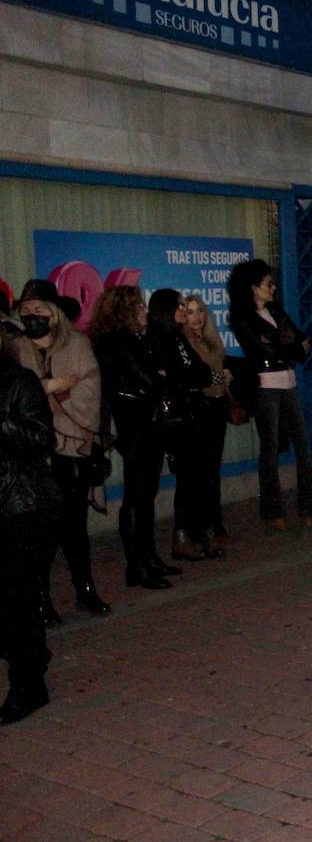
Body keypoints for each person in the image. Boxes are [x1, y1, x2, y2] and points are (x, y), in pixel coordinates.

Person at [8, 280, 110, 623]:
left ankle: (85, 589)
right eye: (27, 309)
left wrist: (49, 398)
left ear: (54, 312)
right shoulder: (14, 349)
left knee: (75, 527)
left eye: (39, 308)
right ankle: (41, 599)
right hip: (32, 459)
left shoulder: (78, 345)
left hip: (70, 452)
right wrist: (50, 386)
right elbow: (14, 401)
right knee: (41, 535)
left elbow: (90, 394)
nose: (32, 314)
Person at [228, 259, 312, 531]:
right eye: (267, 284)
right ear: (253, 287)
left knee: (304, 447)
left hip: (288, 381)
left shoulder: (275, 310)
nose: (272, 288)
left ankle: (310, 509)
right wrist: (290, 347)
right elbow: (267, 350)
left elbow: (299, 339)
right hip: (265, 385)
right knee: (269, 449)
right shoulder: (242, 317)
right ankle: (272, 512)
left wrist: (289, 346)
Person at [89, 287, 175, 590]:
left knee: (145, 493)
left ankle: (148, 557)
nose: (144, 311)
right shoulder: (119, 341)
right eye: (139, 305)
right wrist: (160, 378)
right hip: (135, 425)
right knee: (137, 495)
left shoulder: (132, 339)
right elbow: (149, 380)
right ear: (126, 310)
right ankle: (137, 564)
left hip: (143, 423)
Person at [0, 350, 62, 725]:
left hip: (20, 506)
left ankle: (29, 686)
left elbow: (41, 437)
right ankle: (32, 656)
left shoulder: (19, 381)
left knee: (16, 601)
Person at [147, 290, 217, 561]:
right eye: (178, 306)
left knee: (200, 476)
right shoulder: (157, 339)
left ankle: (201, 532)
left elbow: (201, 372)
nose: (182, 311)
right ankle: (182, 536)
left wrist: (186, 377)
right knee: (187, 478)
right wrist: (185, 377)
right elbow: (170, 377)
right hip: (176, 417)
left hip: (194, 412)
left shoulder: (179, 338)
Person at [181, 295, 231, 544]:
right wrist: (220, 379)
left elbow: (218, 372)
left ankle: (215, 523)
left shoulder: (211, 339)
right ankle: (204, 525)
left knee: (213, 467)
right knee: (202, 469)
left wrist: (223, 379)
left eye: (200, 311)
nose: (196, 317)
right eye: (190, 312)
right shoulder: (186, 343)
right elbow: (197, 379)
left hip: (218, 404)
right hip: (201, 407)